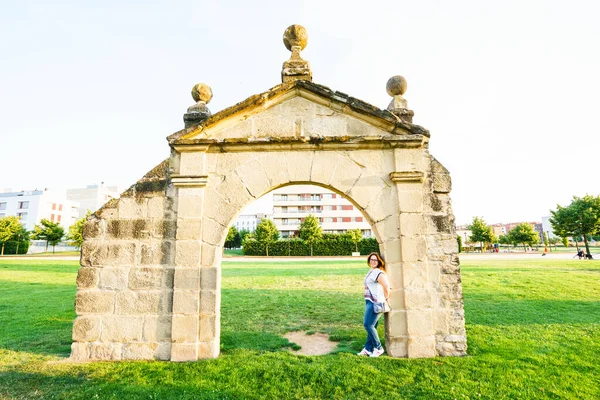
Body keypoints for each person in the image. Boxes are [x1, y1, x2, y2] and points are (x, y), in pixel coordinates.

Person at [357, 252, 390, 357]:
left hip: (375, 302)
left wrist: (386, 297)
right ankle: (368, 349)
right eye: (371, 259)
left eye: (375, 260)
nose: (373, 261)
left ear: (379, 261)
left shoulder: (378, 272)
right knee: (372, 326)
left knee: (368, 325)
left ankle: (378, 348)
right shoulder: (371, 271)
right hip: (369, 301)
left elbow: (386, 286)